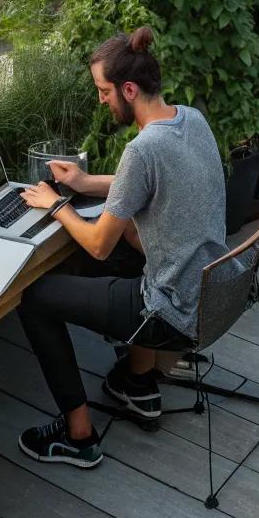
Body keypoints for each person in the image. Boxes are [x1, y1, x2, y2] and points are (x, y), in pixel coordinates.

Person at [15, 26, 228, 469]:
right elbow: (153, 184)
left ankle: (79, 436)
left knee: (36, 299)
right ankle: (136, 380)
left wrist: (57, 204)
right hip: (211, 292)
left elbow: (96, 245)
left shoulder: (142, 148)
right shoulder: (190, 119)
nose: (101, 100)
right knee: (131, 243)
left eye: (104, 91)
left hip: (168, 310)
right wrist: (85, 183)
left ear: (129, 89)